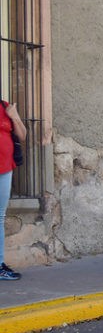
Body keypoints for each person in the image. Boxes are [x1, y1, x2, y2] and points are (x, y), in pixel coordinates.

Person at [0, 98, 26, 280]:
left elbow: (22, 135)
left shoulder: (4, 106)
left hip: (5, 169)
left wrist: (14, 117)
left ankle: (0, 264)